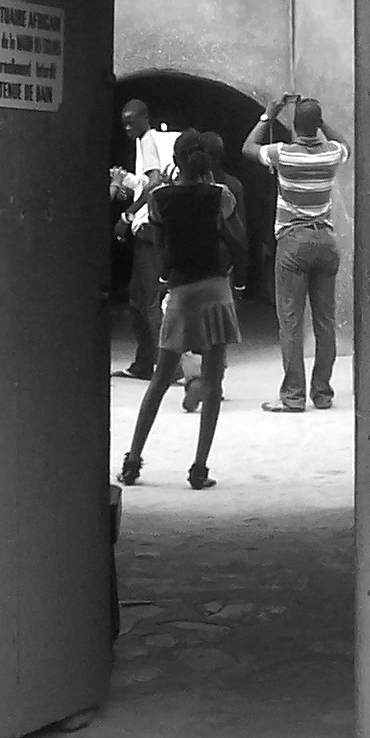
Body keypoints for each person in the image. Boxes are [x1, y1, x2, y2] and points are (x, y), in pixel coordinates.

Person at [120, 131, 244, 491]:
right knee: (213, 379)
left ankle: (132, 461)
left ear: (175, 160)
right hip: (217, 291)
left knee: (160, 381)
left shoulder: (160, 200)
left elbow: (162, 248)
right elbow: (233, 235)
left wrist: (167, 276)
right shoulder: (222, 196)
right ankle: (199, 468)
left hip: (181, 292)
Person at [243, 92, 350, 412]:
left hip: (293, 242)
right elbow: (342, 141)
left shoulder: (284, 154)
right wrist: (319, 120)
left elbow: (247, 148)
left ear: (295, 126)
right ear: (316, 125)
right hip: (326, 242)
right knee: (325, 322)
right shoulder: (331, 153)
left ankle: (292, 396)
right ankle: (322, 393)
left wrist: (268, 115)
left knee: (290, 322)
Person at [110, 99, 180, 379]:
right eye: (123, 122)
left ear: (145, 118)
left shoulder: (149, 140)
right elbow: (146, 182)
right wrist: (125, 180)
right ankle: (144, 362)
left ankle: (169, 367)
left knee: (150, 301)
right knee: (137, 299)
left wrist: (126, 216)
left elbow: (154, 184)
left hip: (151, 231)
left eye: (132, 121)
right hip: (148, 231)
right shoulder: (145, 142)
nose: (127, 127)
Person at [181, 132, 248, 414]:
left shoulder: (179, 190)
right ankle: (212, 383)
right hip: (221, 268)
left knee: (190, 331)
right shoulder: (231, 187)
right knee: (218, 331)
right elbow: (240, 234)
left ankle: (195, 380)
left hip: (188, 271)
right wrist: (242, 276)